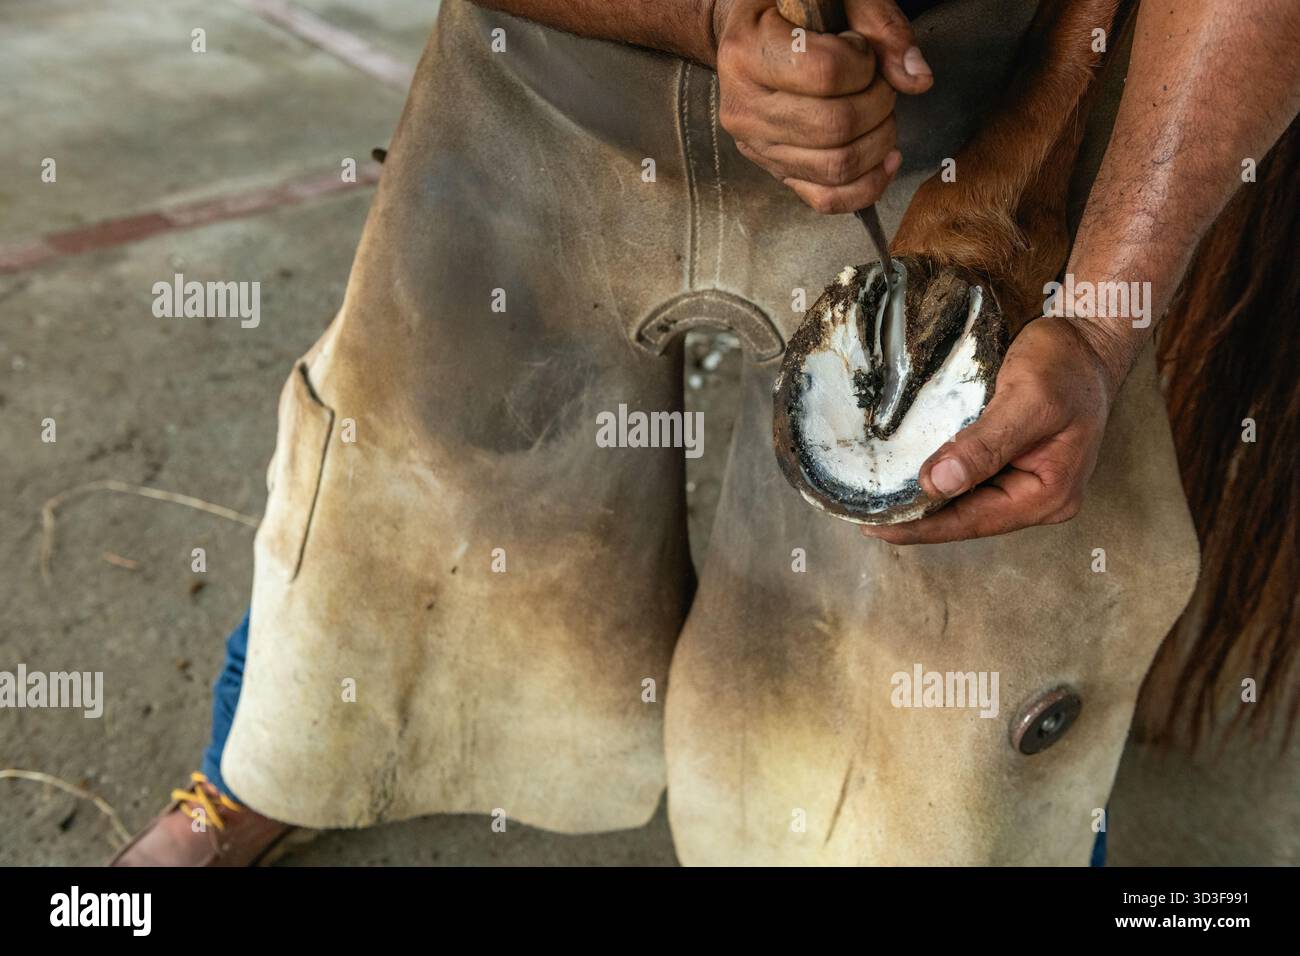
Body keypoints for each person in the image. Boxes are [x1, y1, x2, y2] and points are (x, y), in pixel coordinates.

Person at [111, 0, 1299, 866]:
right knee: (410, 469)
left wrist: (1096, 316)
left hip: (982, 121)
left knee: (989, 622)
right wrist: (703, 15)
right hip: (546, 84)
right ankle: (255, 767)